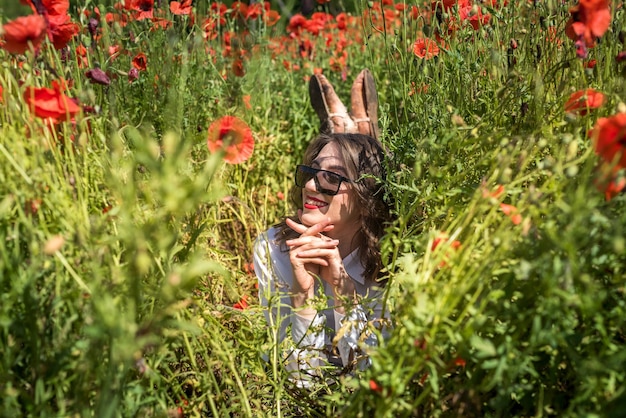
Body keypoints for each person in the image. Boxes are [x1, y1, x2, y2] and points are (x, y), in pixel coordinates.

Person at [253, 70, 394, 384]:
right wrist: (301, 296)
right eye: (309, 173)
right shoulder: (273, 248)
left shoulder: (394, 258)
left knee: (364, 156)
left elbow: (373, 379)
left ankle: (355, 130)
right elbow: (296, 381)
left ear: (365, 196)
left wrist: (344, 293)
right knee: (348, 153)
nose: (311, 186)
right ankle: (355, 129)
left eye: (331, 178)